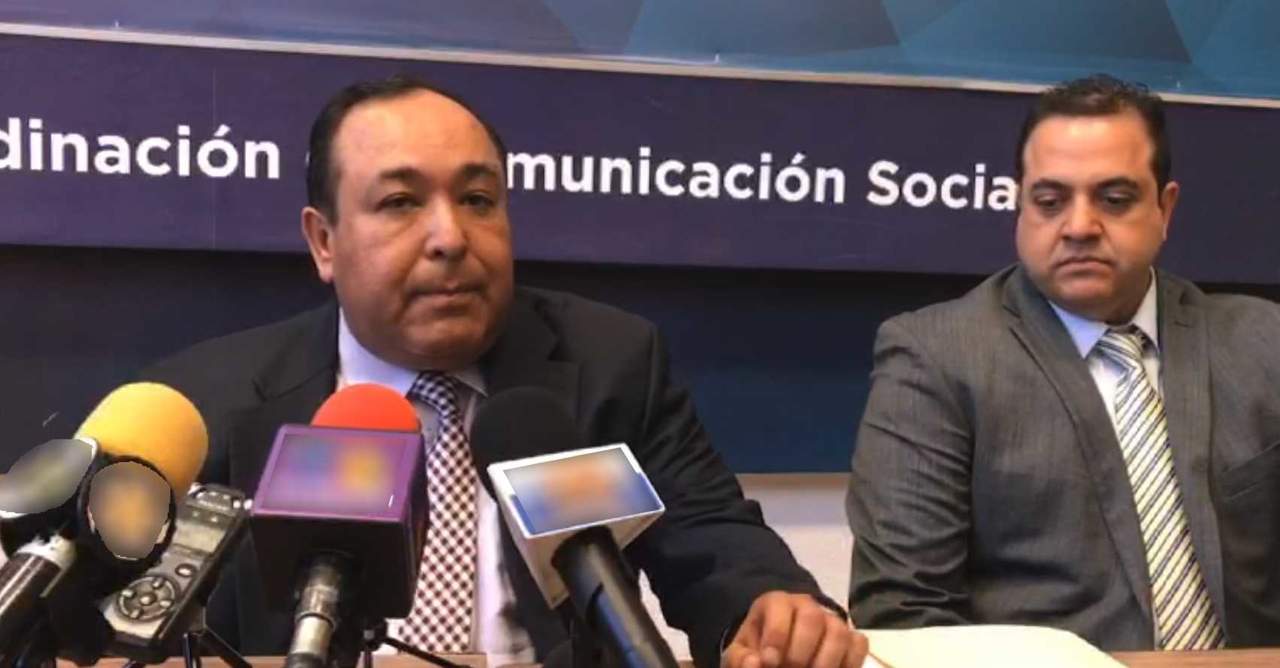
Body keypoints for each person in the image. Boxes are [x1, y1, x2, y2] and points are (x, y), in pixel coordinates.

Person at [145, 75, 866, 668]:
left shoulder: (610, 362)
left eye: (477, 200)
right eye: (400, 203)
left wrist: (768, 610)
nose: (450, 237)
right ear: (324, 241)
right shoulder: (209, 403)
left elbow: (713, 540)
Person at [846, 74, 1280, 651]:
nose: (1078, 227)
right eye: (1050, 202)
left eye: (1114, 199)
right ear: (1020, 206)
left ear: (1165, 208)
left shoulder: (1262, 342)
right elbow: (903, 614)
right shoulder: (937, 357)